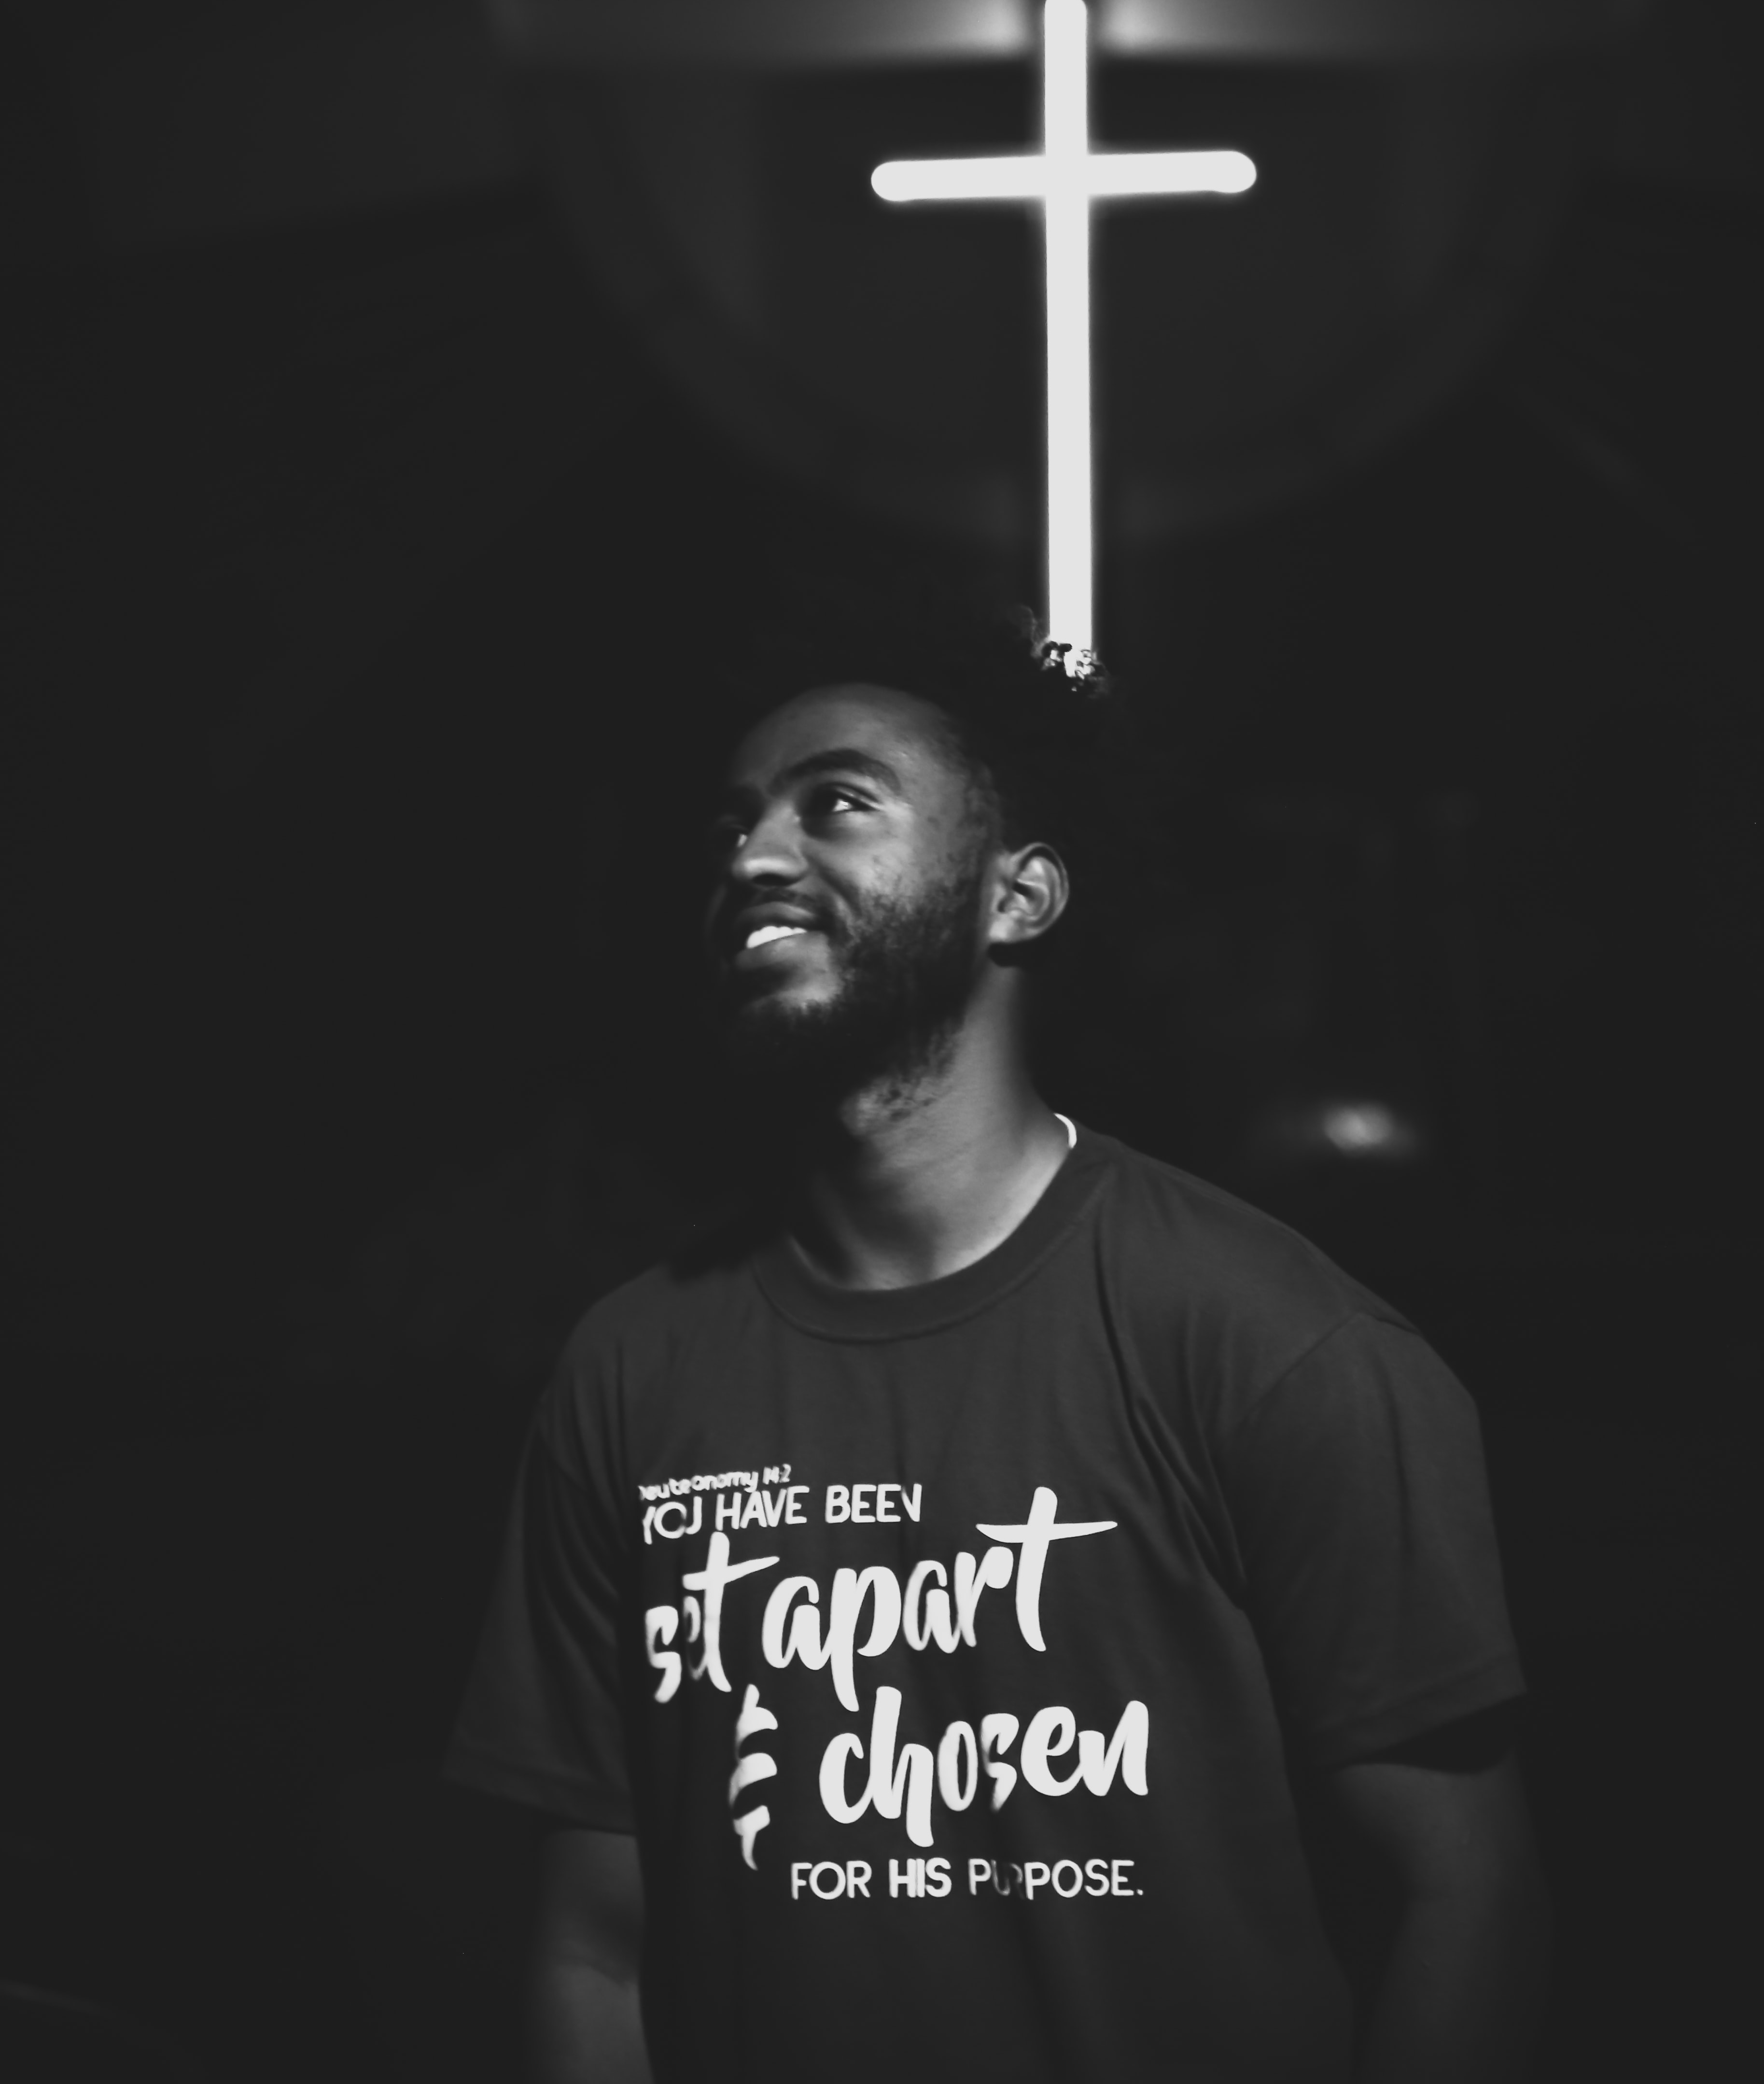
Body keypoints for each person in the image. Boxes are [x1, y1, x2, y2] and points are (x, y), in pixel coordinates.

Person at [446, 589, 1550, 2082]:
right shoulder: (629, 1371)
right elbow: (593, 1941)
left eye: (835, 803)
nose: (753, 855)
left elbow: (1464, 1891)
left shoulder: (1274, 1343)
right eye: (732, 823)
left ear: (1017, 896)